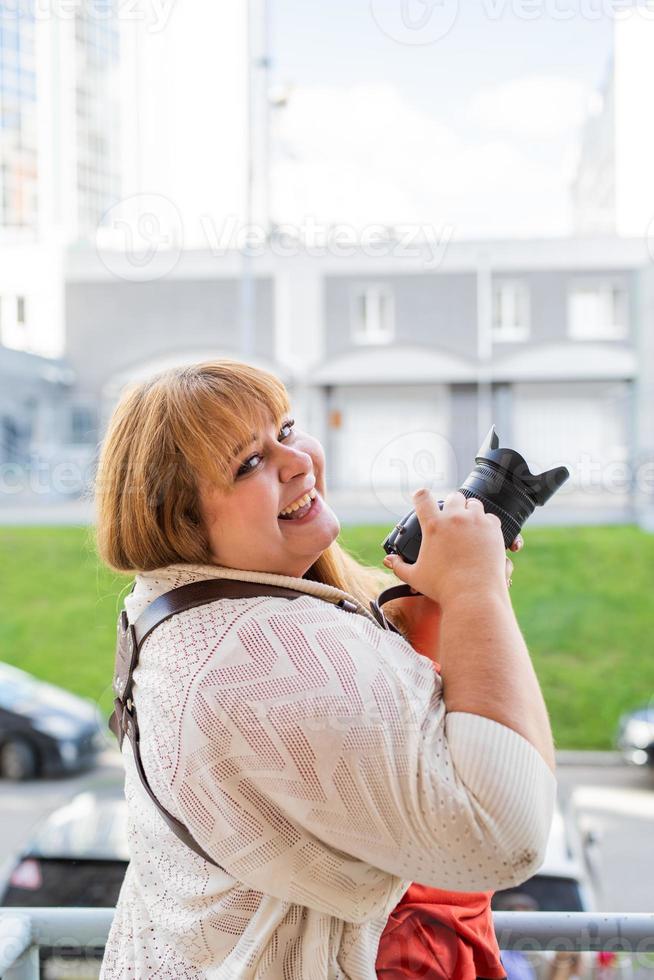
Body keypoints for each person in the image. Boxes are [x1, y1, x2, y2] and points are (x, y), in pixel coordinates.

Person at [95, 359, 556, 979]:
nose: (297, 461)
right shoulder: (254, 658)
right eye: (247, 463)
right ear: (181, 520)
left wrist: (442, 610)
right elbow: (506, 835)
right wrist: (477, 592)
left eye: (285, 430)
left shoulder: (174, 608)